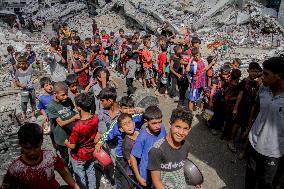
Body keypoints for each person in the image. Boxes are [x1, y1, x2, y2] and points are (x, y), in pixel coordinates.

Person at [0, 123, 80, 189]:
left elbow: (65, 174)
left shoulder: (51, 156)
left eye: (36, 147)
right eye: (27, 148)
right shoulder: (15, 169)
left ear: (41, 142)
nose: (32, 152)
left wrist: (76, 187)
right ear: (20, 145)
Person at [245, 57, 284, 189]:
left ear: (278, 76)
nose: (262, 77)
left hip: (273, 152)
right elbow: (257, 110)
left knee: (265, 184)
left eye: (266, 74)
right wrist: (248, 130)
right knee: (249, 180)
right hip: (253, 142)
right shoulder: (263, 89)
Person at [148, 107, 197, 189]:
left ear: (190, 129)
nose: (181, 133)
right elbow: (156, 181)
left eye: (185, 129)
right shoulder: (157, 150)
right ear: (170, 124)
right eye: (178, 127)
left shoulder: (186, 145)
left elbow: (180, 167)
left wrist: (192, 182)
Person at [65, 93, 98, 189]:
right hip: (90, 152)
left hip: (78, 156)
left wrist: (66, 142)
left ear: (79, 107)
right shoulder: (95, 117)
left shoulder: (77, 127)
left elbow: (72, 146)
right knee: (91, 172)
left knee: (80, 177)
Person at [228, 62, 262, 155]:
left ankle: (240, 140)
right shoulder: (244, 82)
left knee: (245, 125)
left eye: (256, 72)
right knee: (237, 124)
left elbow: (262, 73)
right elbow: (240, 95)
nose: (255, 73)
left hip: (250, 108)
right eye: (253, 71)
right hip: (242, 107)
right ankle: (231, 140)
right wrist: (235, 108)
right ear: (248, 71)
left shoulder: (255, 83)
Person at [130, 106, 167, 188]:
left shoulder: (163, 128)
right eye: (154, 123)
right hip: (146, 176)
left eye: (159, 122)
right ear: (146, 122)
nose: (158, 126)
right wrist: (138, 177)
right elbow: (133, 156)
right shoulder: (142, 137)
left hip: (161, 172)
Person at [47, 82, 80, 170]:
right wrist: (74, 118)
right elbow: (61, 123)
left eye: (66, 94)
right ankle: (68, 172)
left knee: (75, 152)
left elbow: (73, 110)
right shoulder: (51, 106)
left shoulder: (68, 100)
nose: (65, 97)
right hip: (61, 136)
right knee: (65, 157)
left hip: (72, 132)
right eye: (63, 95)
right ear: (55, 94)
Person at [116, 113, 140, 189]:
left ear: (134, 123)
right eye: (125, 124)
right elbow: (130, 161)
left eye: (129, 122)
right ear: (121, 129)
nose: (128, 125)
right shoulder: (126, 144)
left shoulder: (140, 133)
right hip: (131, 171)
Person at [14, 53, 36, 120]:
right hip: (23, 90)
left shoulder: (30, 70)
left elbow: (35, 76)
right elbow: (16, 81)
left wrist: (33, 81)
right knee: (24, 102)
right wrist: (21, 85)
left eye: (23, 64)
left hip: (31, 89)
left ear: (26, 63)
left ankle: (33, 115)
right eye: (20, 64)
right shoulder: (17, 72)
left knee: (33, 101)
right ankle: (24, 114)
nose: (21, 65)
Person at [223, 69, 242, 141]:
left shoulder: (230, 83)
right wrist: (238, 97)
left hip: (229, 106)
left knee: (228, 122)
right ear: (238, 77)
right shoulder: (232, 85)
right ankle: (226, 135)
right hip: (231, 106)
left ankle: (225, 134)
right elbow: (227, 98)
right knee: (230, 122)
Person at [187, 48, 206, 113]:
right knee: (192, 98)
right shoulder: (193, 64)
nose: (196, 57)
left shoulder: (202, 60)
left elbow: (204, 70)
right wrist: (190, 61)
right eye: (194, 56)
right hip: (195, 83)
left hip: (201, 82)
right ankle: (190, 112)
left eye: (197, 55)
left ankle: (193, 109)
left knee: (196, 96)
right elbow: (187, 70)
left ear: (199, 54)